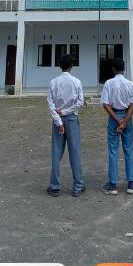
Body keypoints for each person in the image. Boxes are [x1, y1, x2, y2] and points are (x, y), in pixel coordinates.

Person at [47, 54, 85, 196]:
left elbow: (51, 105)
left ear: (59, 66)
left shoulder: (53, 82)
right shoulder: (76, 82)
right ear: (71, 66)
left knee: (56, 152)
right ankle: (78, 186)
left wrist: (59, 119)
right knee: (74, 152)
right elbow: (80, 102)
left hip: (58, 120)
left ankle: (55, 186)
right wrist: (66, 111)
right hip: (72, 119)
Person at [100, 58, 133, 196]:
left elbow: (105, 104)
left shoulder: (109, 83)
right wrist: (125, 121)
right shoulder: (130, 84)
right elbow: (132, 105)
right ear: (124, 69)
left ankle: (113, 185)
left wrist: (118, 121)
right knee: (128, 150)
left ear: (113, 69)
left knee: (113, 151)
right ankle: (131, 184)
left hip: (114, 117)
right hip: (127, 117)